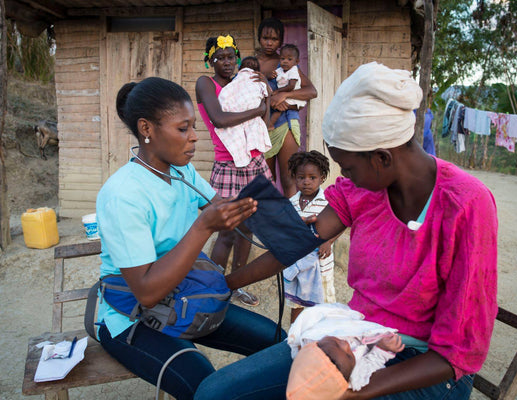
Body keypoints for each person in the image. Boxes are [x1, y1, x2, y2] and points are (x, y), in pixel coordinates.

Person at [193, 62, 498, 400]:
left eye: (348, 167)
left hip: (425, 368)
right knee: (215, 392)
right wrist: (223, 285)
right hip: (355, 337)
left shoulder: (465, 205)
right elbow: (298, 241)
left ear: (382, 157)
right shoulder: (364, 189)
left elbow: (456, 355)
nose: (344, 177)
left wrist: (351, 393)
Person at [96, 76, 284, 400]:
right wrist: (203, 227)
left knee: (278, 342)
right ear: (147, 129)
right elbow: (147, 292)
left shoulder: (181, 171)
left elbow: (219, 207)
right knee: (206, 388)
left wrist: (273, 212)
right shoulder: (123, 194)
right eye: (183, 129)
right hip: (132, 315)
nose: (195, 137)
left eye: (193, 127)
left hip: (185, 293)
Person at [196, 35, 271, 307]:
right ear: (210, 60)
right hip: (229, 164)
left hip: (254, 161)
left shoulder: (242, 83)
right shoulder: (206, 83)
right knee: (227, 230)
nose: (227, 62)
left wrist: (266, 93)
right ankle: (214, 289)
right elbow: (219, 119)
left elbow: (265, 120)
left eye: (231, 57)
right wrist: (258, 108)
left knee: (248, 227)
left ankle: (237, 286)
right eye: (221, 57)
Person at [286, 303, 406, 400]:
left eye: (336, 343)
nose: (346, 345)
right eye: (349, 356)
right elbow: (371, 363)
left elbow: (313, 319)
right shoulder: (355, 378)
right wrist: (383, 349)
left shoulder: (314, 340)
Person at [256, 17, 318, 198]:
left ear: (280, 41)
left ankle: (290, 221)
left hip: (286, 123)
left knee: (288, 177)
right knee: (266, 178)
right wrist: (268, 102)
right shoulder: (252, 63)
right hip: (261, 124)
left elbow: (311, 91)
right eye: (265, 38)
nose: (269, 42)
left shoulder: (286, 62)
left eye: (274, 39)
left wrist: (285, 95)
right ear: (258, 38)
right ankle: (269, 220)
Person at [284, 151, 338, 323]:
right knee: (297, 304)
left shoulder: (328, 201)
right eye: (301, 177)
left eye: (312, 177)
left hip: (321, 265)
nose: (306, 181)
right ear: (294, 178)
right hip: (298, 265)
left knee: (322, 308)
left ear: (322, 178)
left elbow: (341, 223)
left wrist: (328, 241)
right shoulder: (291, 202)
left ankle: (321, 340)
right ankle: (295, 336)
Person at [214, 55, 272, 169]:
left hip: (255, 158)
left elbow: (264, 122)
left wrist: (267, 91)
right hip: (229, 160)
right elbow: (263, 119)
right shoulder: (235, 83)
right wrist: (261, 106)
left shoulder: (252, 82)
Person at [268, 44, 306, 130]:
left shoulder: (293, 70)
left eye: (289, 59)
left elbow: (291, 86)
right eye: (282, 59)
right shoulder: (280, 69)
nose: (285, 61)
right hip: (285, 94)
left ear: (296, 62)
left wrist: (278, 91)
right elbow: (273, 76)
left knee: (279, 108)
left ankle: (270, 124)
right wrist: (270, 76)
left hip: (293, 95)